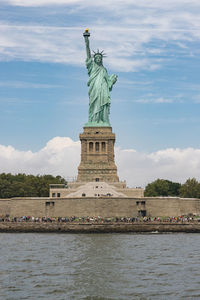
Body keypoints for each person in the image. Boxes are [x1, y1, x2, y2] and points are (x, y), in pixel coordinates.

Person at [83, 29, 117, 125]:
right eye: (96, 57)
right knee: (94, 104)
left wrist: (112, 80)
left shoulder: (104, 70)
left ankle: (102, 120)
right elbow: (88, 53)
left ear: (101, 59)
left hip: (103, 90)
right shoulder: (92, 66)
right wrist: (86, 40)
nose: (98, 59)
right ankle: (94, 121)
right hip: (94, 89)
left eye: (100, 58)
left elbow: (108, 83)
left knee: (103, 104)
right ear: (94, 59)